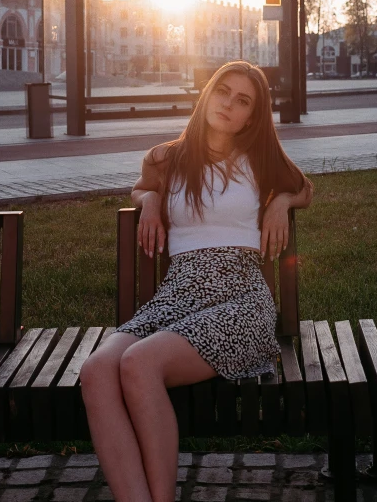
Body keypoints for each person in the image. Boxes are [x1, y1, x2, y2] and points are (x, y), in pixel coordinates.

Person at [80, 61, 313, 502]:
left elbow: (305, 188)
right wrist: (150, 199)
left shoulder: (259, 159)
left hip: (240, 298)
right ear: (207, 93)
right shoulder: (166, 157)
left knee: (139, 363)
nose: (229, 104)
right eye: (223, 91)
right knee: (96, 371)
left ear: (251, 116)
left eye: (243, 100)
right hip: (177, 296)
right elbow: (139, 186)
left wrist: (281, 200)